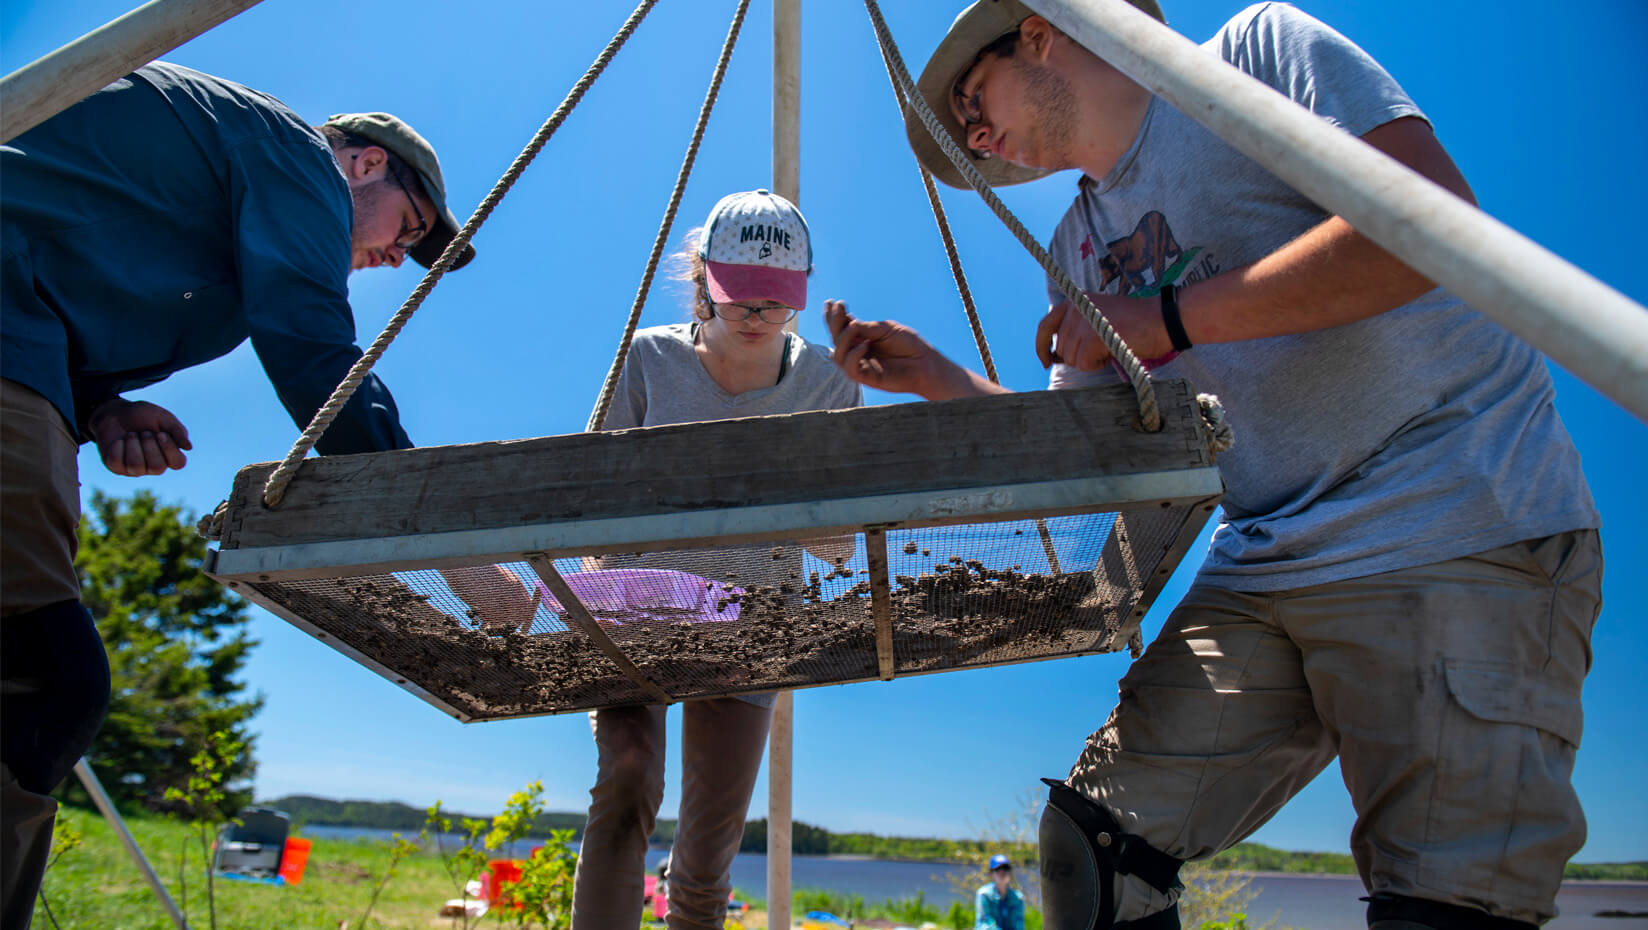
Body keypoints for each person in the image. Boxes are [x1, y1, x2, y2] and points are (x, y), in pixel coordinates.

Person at [827, 3, 1601, 928]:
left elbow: (1424, 231)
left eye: (971, 95)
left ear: (1038, 31)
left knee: (1444, 905)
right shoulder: (1075, 250)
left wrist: (1166, 316)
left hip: (1448, 508)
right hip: (1265, 556)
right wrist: (942, 381)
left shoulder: (1253, 61)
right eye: (963, 127)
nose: (974, 133)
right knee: (1095, 845)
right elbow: (1093, 454)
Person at [0, 61, 475, 928]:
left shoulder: (221, 248)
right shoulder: (296, 156)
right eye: (409, 227)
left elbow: (52, 278)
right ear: (365, 163)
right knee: (41, 678)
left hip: (18, 341)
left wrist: (103, 408)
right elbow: (316, 352)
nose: (399, 256)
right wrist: (455, 545)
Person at [568, 189, 863, 930]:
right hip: (639, 609)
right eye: (739, 292)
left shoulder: (829, 384)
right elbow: (588, 495)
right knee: (628, 776)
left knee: (706, 855)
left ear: (802, 288)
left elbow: (836, 545)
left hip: (754, 626)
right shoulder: (648, 359)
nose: (757, 312)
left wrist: (801, 497)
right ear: (702, 276)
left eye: (776, 296)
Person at [976, 853, 1026, 930]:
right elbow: (985, 923)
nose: (1002, 872)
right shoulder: (984, 894)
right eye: (998, 869)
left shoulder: (1018, 898)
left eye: (1005, 868)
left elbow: (1019, 925)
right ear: (991, 873)